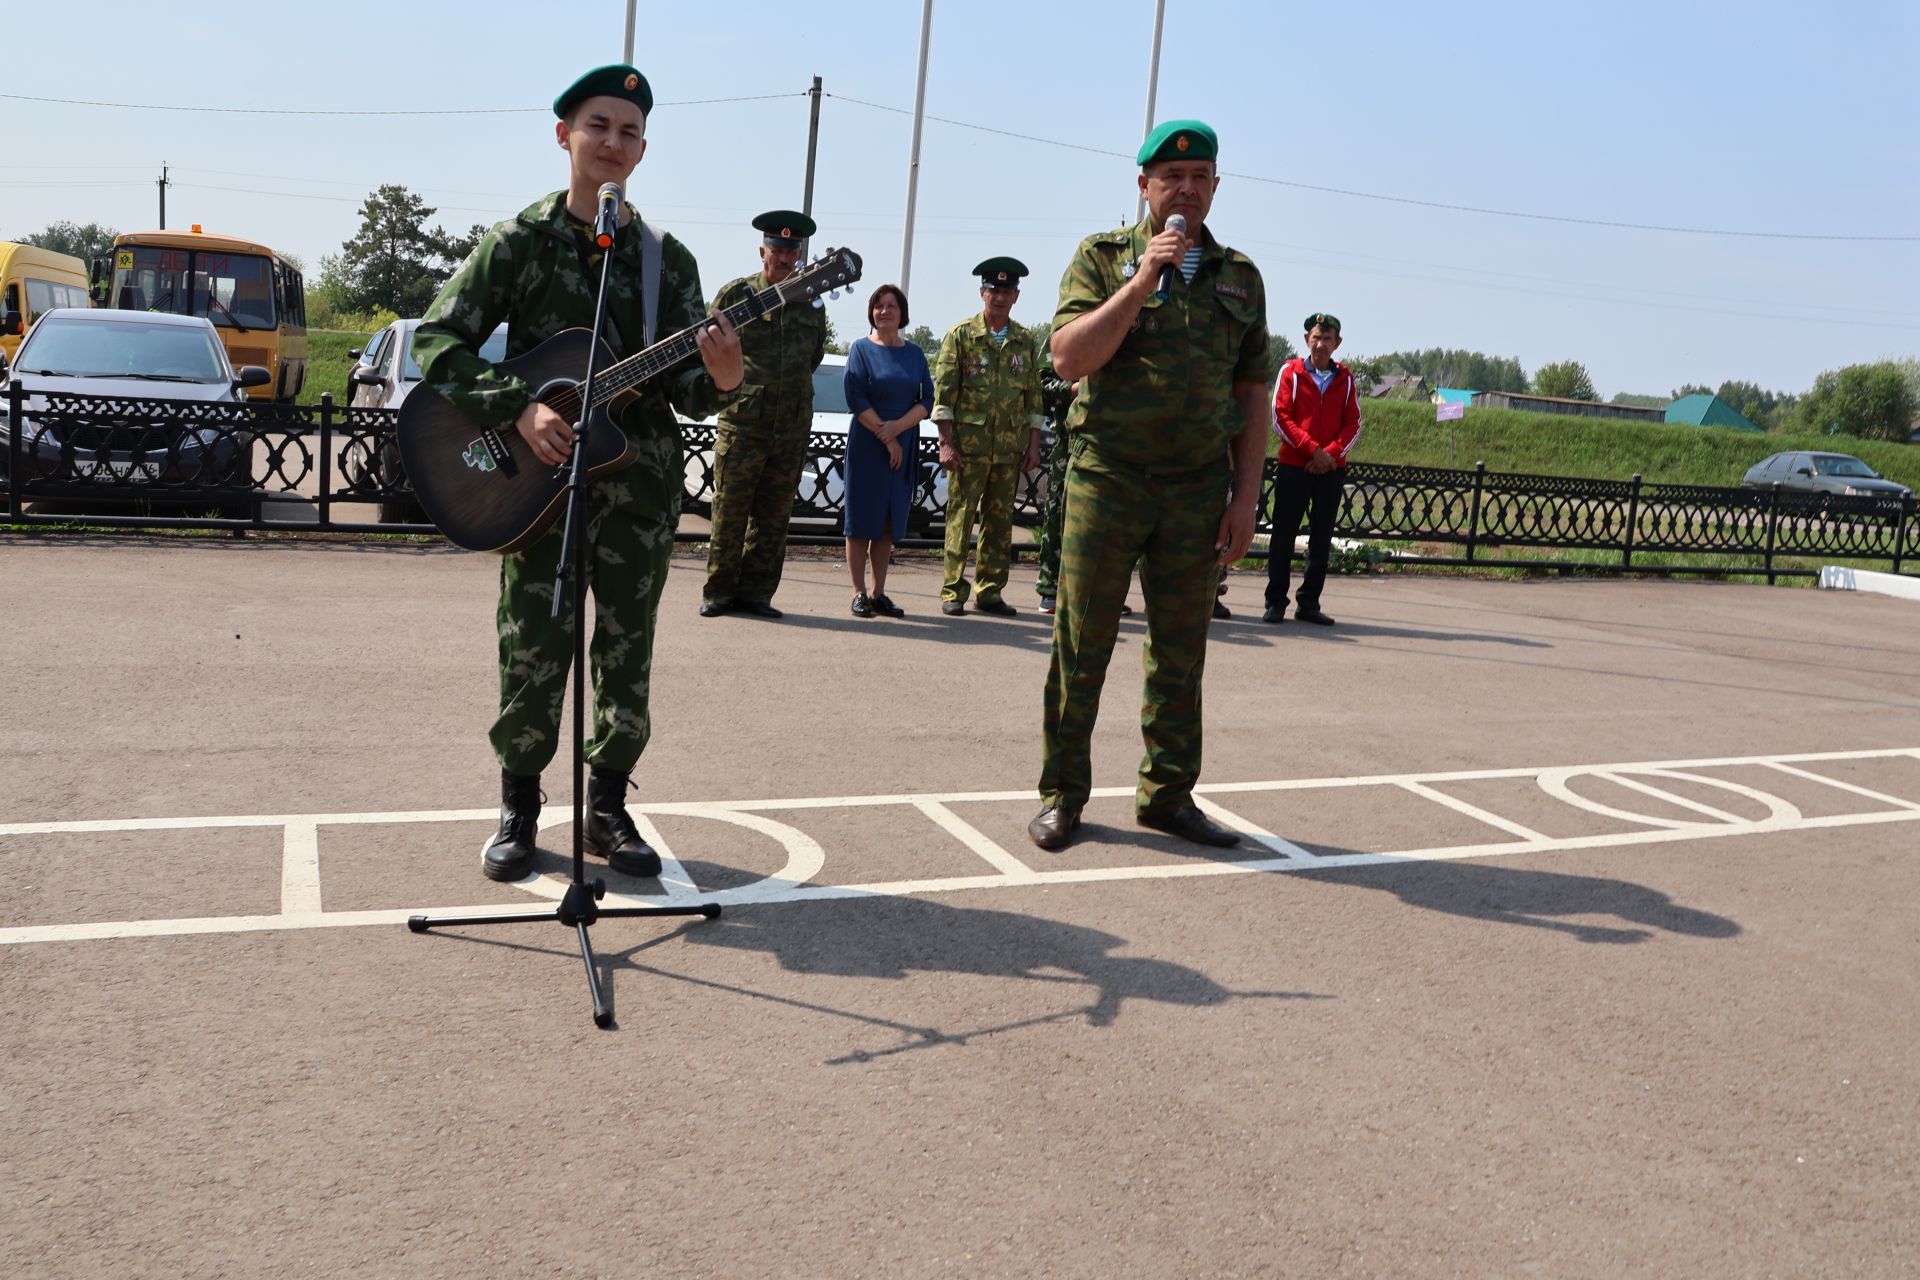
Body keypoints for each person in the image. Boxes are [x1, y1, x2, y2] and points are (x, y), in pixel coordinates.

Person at [414, 64, 743, 883]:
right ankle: (519, 807)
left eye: (630, 132)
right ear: (565, 135)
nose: (614, 143)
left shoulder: (667, 260)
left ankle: (607, 810)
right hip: (536, 484)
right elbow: (437, 340)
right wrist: (516, 408)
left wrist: (727, 375)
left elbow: (692, 389)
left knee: (625, 649)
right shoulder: (518, 244)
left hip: (639, 489)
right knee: (533, 640)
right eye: (599, 126)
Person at [1029, 119, 1270, 852]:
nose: (1186, 190)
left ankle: (1168, 795)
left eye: (1200, 178)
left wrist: (1244, 497)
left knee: (1180, 651)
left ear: (1216, 188)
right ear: (1144, 188)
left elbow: (1253, 395)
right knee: (1082, 644)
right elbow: (1068, 358)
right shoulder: (1101, 260)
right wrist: (1141, 282)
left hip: (1197, 490)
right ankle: (1062, 795)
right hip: (1110, 478)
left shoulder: (1240, 277)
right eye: (1172, 178)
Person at [700, 210, 829, 620]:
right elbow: (710, 349)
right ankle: (719, 593)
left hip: (790, 427)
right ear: (763, 252)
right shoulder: (736, 296)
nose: (785, 258)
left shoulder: (811, 303)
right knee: (730, 513)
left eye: (792, 251)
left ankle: (756, 594)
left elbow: (813, 358)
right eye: (777, 249)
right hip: (742, 425)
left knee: (774, 519)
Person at [931, 257, 1044, 616]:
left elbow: (1033, 397)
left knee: (999, 523)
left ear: (1016, 296)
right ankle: (953, 590)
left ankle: (990, 591)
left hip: (1008, 448)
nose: (999, 296)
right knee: (961, 518)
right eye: (993, 290)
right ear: (982, 292)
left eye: (1006, 291)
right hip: (968, 448)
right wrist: (946, 443)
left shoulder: (1024, 340)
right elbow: (944, 396)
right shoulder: (961, 336)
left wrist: (1033, 443)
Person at [1264, 312, 1362, 626]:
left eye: (1327, 339)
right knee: (1283, 536)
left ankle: (1309, 602)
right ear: (1307, 339)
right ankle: (1276, 601)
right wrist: (1312, 450)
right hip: (1295, 465)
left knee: (1321, 538)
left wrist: (1329, 454)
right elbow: (1281, 417)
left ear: (1337, 343)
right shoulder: (1290, 372)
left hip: (1330, 469)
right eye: (1316, 337)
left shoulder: (1345, 379)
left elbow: (1353, 424)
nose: (1320, 344)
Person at [841, 284, 932, 618]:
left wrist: (899, 429)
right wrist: (887, 434)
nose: (885, 311)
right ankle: (858, 592)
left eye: (891, 306)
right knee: (861, 521)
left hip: (903, 442)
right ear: (872, 313)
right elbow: (855, 396)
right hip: (869, 443)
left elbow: (927, 400)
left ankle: (879, 593)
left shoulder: (915, 354)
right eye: (878, 306)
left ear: (901, 313)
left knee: (887, 523)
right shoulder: (861, 349)